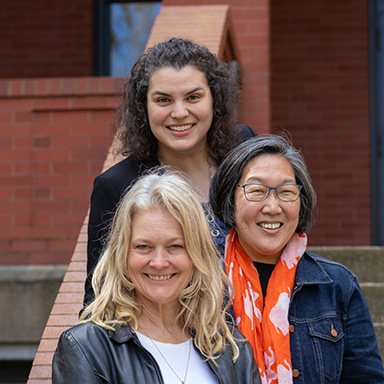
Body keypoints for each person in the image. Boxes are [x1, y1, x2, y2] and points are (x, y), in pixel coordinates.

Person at [85, 37, 257, 306]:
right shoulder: (117, 186)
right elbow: (98, 296)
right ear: (144, 108)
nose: (179, 112)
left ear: (214, 100)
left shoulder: (243, 147)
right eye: (163, 100)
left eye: (193, 97)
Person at [52, 172, 261, 384]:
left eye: (175, 246)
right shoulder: (87, 349)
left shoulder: (232, 351)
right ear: (123, 255)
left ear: (197, 255)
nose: (159, 262)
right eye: (144, 247)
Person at [209, 134, 384, 383]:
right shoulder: (202, 280)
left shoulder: (337, 285)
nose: (272, 207)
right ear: (230, 200)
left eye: (286, 192)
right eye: (257, 191)